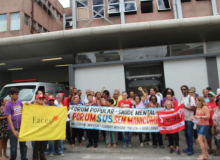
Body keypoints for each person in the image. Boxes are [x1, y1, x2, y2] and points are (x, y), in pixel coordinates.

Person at [4, 87, 28, 160]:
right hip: (13, 128)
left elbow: (25, 111)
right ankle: (13, 158)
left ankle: (24, 158)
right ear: (10, 95)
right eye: (15, 94)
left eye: (18, 94)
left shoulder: (19, 102)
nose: (17, 96)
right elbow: (9, 119)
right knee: (14, 147)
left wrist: (27, 105)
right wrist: (13, 131)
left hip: (21, 127)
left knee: (23, 144)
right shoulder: (8, 104)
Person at [179, 85, 195, 155]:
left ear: (187, 90)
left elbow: (193, 108)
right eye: (182, 90)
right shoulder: (180, 98)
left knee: (189, 134)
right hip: (183, 119)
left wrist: (185, 107)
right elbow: (179, 108)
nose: (183, 91)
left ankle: (191, 149)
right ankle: (188, 147)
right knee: (186, 134)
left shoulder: (191, 98)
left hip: (189, 119)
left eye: (184, 89)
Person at [32, 94, 47, 160]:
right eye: (40, 98)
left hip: (43, 126)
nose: (41, 100)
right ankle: (35, 157)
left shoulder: (45, 106)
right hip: (36, 127)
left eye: (42, 99)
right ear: (36, 100)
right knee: (37, 143)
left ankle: (42, 156)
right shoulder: (33, 107)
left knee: (42, 142)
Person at [206, 91, 219, 156]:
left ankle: (217, 149)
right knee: (208, 137)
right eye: (209, 96)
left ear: (214, 96)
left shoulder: (216, 103)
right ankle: (210, 149)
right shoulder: (206, 103)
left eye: (211, 96)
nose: (210, 97)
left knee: (216, 137)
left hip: (214, 123)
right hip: (207, 123)